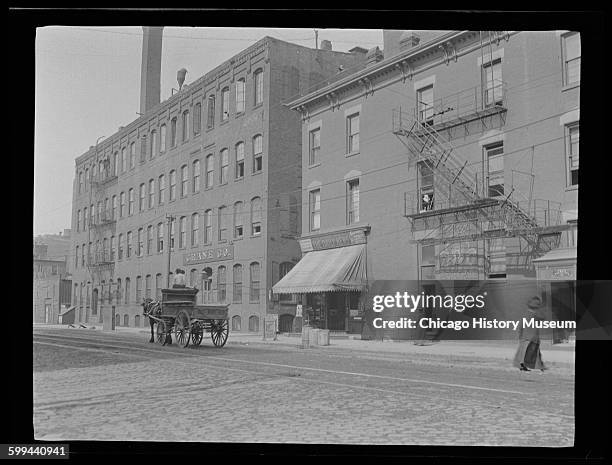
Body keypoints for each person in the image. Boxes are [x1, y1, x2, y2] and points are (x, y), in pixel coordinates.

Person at [513, 296, 547, 372]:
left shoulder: (525, 314)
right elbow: (543, 317)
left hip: (525, 336)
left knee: (524, 352)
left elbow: (521, 325)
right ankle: (540, 366)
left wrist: (520, 335)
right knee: (534, 352)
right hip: (533, 337)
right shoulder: (535, 314)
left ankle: (537, 366)